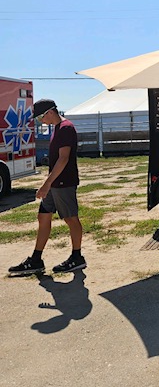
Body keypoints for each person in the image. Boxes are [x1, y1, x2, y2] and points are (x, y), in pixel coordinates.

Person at [9, 99, 86, 276]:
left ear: (50, 113)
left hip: (63, 183)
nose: (39, 121)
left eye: (39, 117)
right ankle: (36, 259)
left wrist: (46, 184)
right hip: (55, 183)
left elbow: (63, 158)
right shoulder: (57, 128)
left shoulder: (66, 128)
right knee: (43, 216)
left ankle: (77, 257)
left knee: (70, 218)